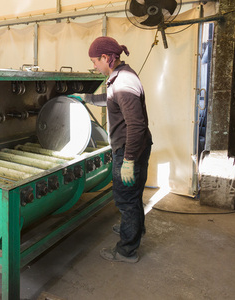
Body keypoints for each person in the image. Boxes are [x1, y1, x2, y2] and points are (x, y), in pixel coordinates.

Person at [81, 36, 152, 263]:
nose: (94, 66)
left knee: (126, 200)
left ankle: (126, 251)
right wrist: (86, 98)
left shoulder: (122, 82)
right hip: (134, 146)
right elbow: (111, 100)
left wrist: (129, 160)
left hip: (129, 149)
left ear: (105, 57)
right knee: (134, 195)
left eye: (94, 61)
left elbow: (136, 124)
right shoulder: (120, 76)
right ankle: (135, 229)